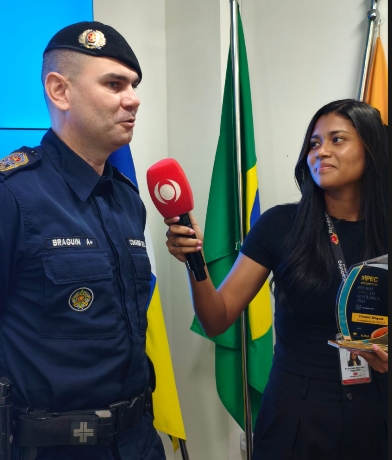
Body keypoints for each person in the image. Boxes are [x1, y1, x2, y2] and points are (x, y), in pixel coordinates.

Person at [0, 21, 166, 460]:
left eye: (134, 86)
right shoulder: (1, 197)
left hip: (137, 442)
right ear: (60, 91)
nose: (133, 99)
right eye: (114, 84)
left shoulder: (126, 198)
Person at [164, 99, 388, 460]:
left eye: (337, 140)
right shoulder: (280, 225)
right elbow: (216, 319)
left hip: (377, 410)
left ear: (372, 149)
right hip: (296, 414)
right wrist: (195, 261)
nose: (321, 152)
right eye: (314, 143)